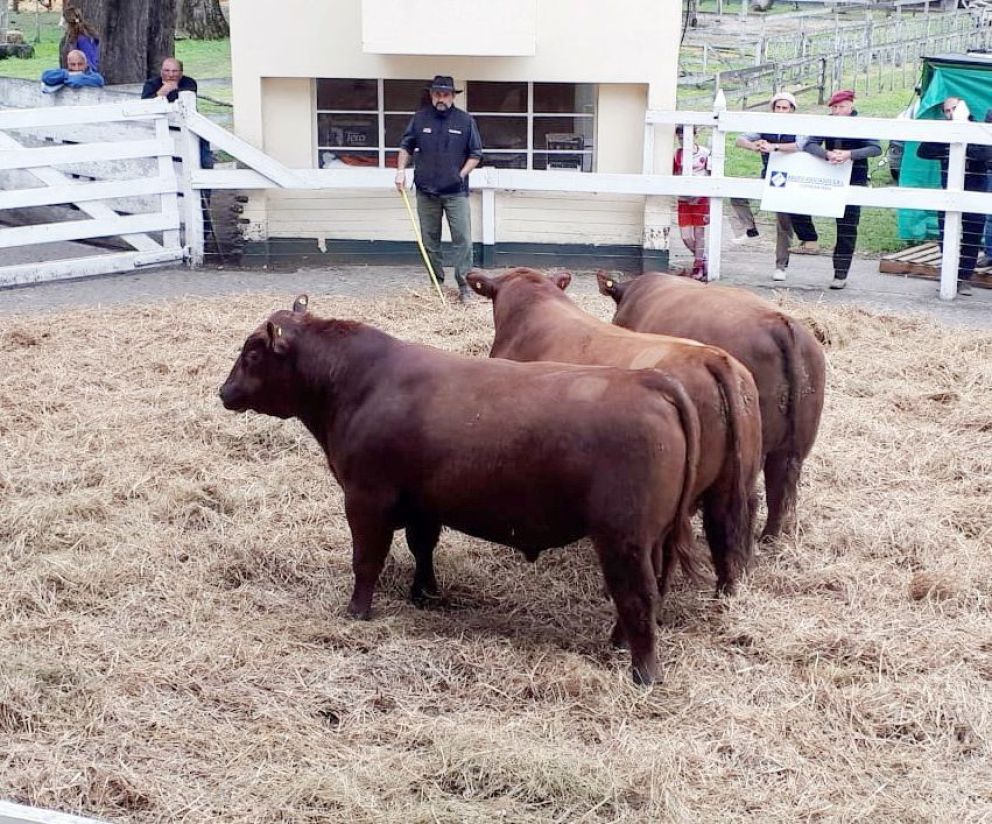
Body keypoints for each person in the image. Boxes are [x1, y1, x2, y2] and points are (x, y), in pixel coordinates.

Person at [395, 75, 483, 304]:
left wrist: (459, 175)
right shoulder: (420, 118)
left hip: (456, 193)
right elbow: (406, 146)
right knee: (429, 241)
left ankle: (464, 286)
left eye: (445, 94)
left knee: (462, 239)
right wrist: (400, 171)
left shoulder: (465, 121)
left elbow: (475, 154)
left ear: (453, 96)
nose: (441, 98)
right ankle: (437, 285)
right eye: (437, 94)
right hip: (426, 192)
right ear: (431, 95)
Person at [734, 90, 820, 282]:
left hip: (790, 178)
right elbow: (740, 139)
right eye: (778, 107)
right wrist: (754, 145)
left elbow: (801, 144)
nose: (781, 111)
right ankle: (750, 228)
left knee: (784, 223)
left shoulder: (798, 126)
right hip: (769, 174)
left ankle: (781, 266)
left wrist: (775, 147)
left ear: (792, 110)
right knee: (737, 194)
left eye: (785, 108)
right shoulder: (766, 125)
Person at [803, 89, 881, 290]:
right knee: (800, 206)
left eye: (842, 106)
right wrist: (826, 154)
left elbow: (875, 148)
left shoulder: (861, 124)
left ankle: (840, 273)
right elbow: (810, 144)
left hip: (854, 177)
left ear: (851, 106)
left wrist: (849, 154)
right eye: (835, 107)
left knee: (847, 226)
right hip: (828, 176)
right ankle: (808, 238)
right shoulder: (826, 123)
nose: (838, 111)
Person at [915, 96, 991, 297]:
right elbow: (923, 151)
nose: (950, 114)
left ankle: (964, 277)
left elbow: (985, 154)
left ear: (963, 107)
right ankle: (949, 273)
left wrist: (961, 145)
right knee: (945, 233)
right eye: (947, 111)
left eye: (954, 109)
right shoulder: (944, 131)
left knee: (972, 234)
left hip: (975, 190)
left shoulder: (979, 127)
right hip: (948, 191)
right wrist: (950, 144)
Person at [142, 58, 213, 170]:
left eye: (174, 71)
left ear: (181, 72)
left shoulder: (189, 82)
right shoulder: (151, 84)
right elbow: (145, 106)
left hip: (187, 123)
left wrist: (168, 91)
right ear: (161, 71)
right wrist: (163, 91)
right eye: (167, 71)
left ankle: (205, 171)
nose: (170, 75)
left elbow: (184, 102)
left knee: (202, 137)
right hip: (159, 126)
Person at [673, 125, 710, 281]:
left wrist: (703, 193)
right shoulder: (677, 155)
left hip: (701, 200)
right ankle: (704, 259)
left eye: (686, 137)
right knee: (686, 237)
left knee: (699, 234)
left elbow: (710, 176)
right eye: (680, 138)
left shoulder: (705, 153)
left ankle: (698, 266)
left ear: (695, 136)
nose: (683, 141)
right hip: (684, 200)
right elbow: (674, 175)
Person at [60, 5, 100, 73]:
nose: (61, 25)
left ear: (68, 23)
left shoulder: (83, 39)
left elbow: (91, 63)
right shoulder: (73, 37)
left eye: (63, 22)